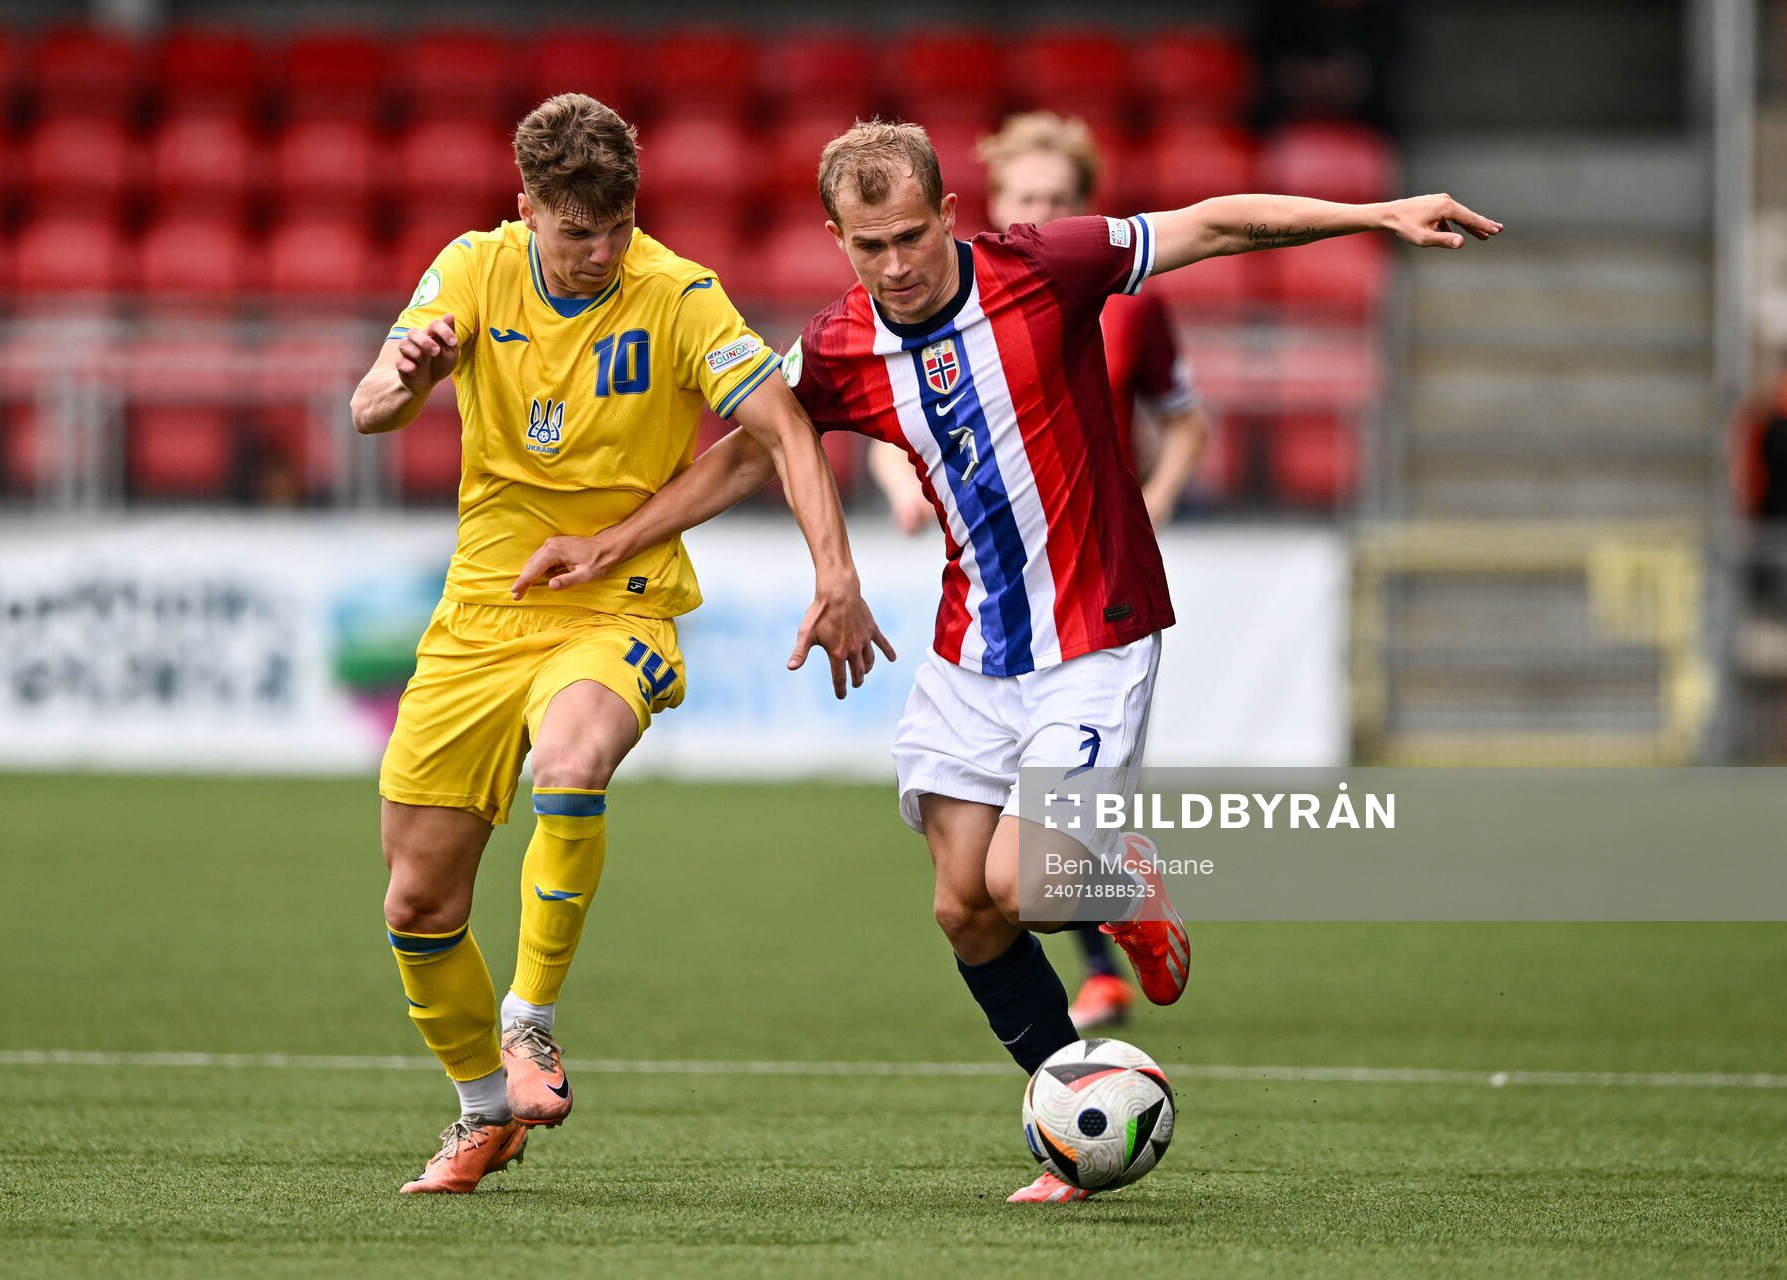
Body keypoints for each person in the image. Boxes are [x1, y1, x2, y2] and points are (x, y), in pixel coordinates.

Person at [514, 120, 1500, 1203]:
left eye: (909, 238)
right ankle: (1073, 1118)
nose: (894, 265)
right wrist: (612, 544)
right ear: (835, 238)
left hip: (1096, 630)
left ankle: (1121, 882)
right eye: (867, 246)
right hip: (970, 647)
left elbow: (1213, 224)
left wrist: (1378, 215)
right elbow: (752, 451)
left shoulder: (1045, 268)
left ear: (947, 216)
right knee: (960, 906)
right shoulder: (841, 345)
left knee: (1022, 881)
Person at [350, 94, 891, 1195]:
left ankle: (530, 1020)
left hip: (618, 605)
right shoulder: (470, 269)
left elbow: (781, 423)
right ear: (526, 211)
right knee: (417, 903)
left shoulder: (678, 293)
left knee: (574, 757)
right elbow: (369, 407)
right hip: (480, 615)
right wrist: (403, 379)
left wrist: (835, 570)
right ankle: (480, 1105)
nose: (596, 253)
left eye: (613, 228)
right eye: (571, 232)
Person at [864, 111, 1212, 1031]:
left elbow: (1185, 420)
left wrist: (1163, 491)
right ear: (986, 204)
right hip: (990, 598)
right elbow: (886, 414)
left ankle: (1101, 911)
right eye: (1025, 197)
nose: (1041, 209)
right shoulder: (950, 308)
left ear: (1083, 208)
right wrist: (898, 482)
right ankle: (1091, 976)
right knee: (973, 886)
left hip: (1095, 582)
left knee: (1035, 860)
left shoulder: (1120, 298)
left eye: (1059, 199)